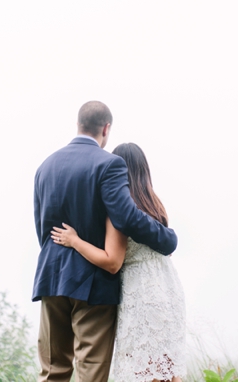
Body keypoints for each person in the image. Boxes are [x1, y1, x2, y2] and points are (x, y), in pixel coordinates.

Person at [32, 101, 178, 382]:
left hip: (51, 278)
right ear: (106, 129)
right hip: (93, 283)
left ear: (77, 125)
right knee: (91, 371)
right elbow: (125, 217)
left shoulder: (44, 166)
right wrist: (166, 239)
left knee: (52, 371)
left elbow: (42, 227)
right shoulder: (109, 164)